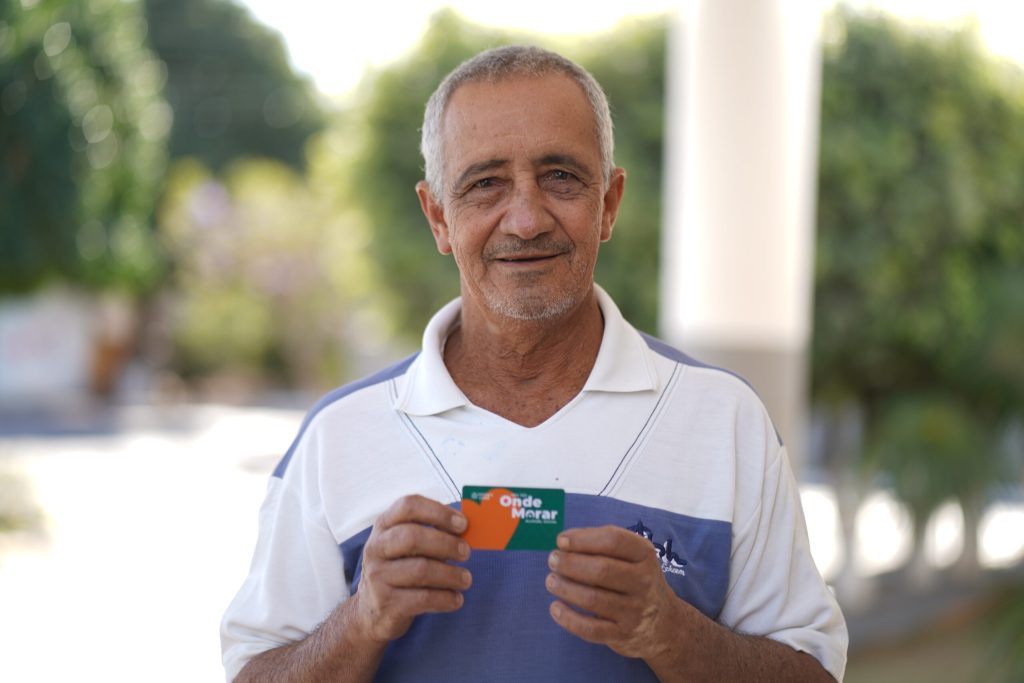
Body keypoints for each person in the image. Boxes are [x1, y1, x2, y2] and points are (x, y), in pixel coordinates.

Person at [220, 45, 847, 682]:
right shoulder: (339, 438)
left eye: (561, 177)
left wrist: (673, 632)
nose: (524, 220)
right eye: (485, 183)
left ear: (609, 203)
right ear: (438, 216)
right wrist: (362, 620)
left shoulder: (723, 423)